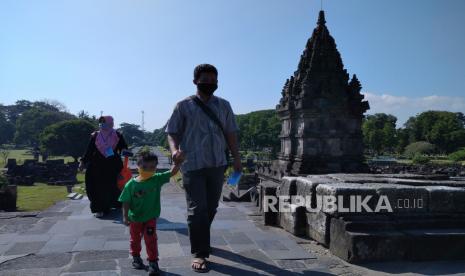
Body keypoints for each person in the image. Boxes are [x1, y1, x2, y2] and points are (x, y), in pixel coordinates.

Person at [165, 64, 241, 273]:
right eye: (205, 80)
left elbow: (231, 133)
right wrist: (174, 152)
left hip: (217, 163)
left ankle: (201, 237)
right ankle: (199, 252)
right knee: (197, 209)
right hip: (192, 164)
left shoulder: (224, 106)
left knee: (211, 207)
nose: (209, 84)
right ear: (195, 81)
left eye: (213, 80)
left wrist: (236, 159)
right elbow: (172, 132)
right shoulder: (183, 106)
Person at [119, 151, 184, 276]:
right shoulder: (130, 185)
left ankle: (153, 263)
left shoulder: (156, 179)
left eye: (152, 167)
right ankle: (136, 258)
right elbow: (125, 201)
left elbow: (172, 172)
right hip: (135, 219)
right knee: (135, 240)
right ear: (138, 166)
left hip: (150, 218)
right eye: (145, 167)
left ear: (156, 167)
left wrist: (178, 163)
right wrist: (125, 216)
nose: (149, 170)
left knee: (151, 239)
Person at [79, 116, 128, 218]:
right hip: (96, 166)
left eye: (104, 122)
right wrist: (83, 162)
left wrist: (124, 151)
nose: (102, 124)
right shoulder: (95, 135)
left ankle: (111, 205)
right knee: (95, 187)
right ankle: (99, 209)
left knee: (111, 187)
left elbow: (123, 148)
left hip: (112, 166)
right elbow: (89, 150)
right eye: (101, 122)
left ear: (111, 123)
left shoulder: (117, 135)